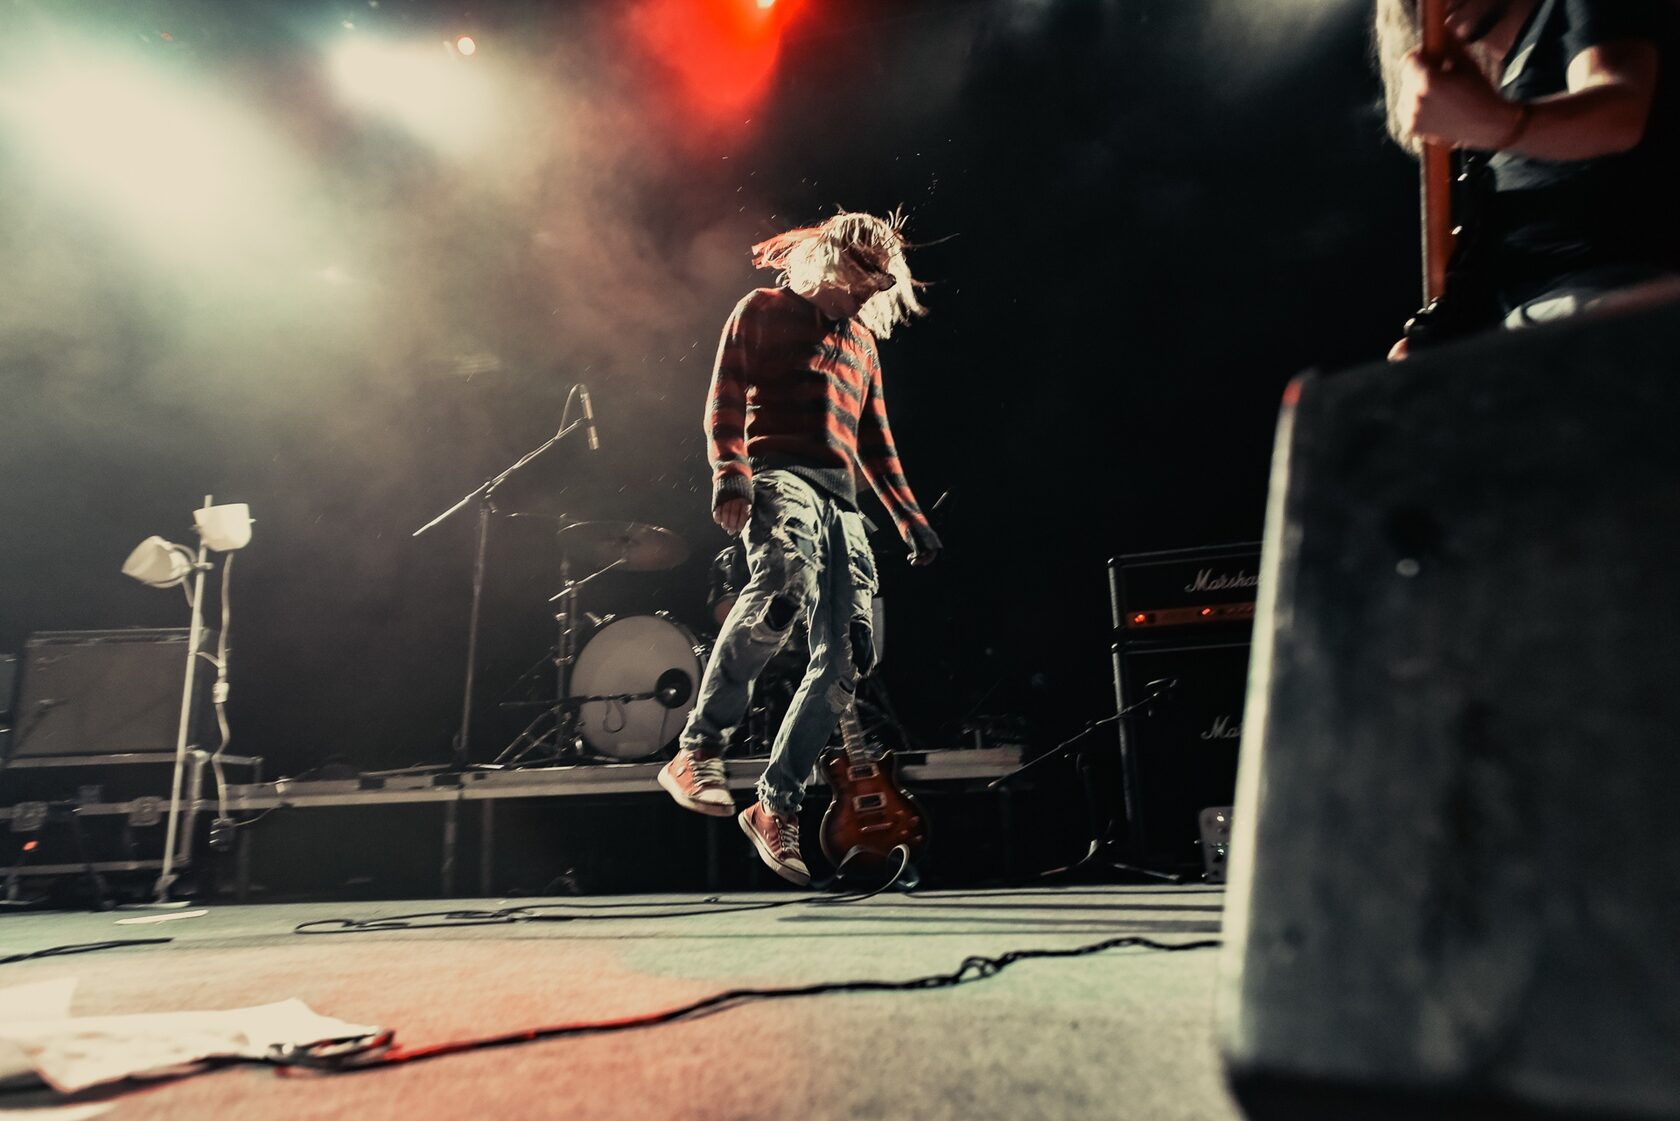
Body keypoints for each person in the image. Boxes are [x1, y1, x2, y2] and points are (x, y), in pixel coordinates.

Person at [657, 210, 942, 885]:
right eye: (863, 281)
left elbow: (876, 441)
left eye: (881, 286)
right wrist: (731, 474)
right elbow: (725, 394)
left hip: (844, 505)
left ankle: (775, 804)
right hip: (780, 474)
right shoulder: (762, 309)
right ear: (833, 262)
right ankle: (698, 748)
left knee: (850, 656)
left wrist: (909, 518)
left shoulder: (862, 344)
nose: (869, 296)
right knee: (783, 586)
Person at [1376, 0, 1680, 357]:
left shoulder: (1569, 10)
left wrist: (1494, 122)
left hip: (1611, 304)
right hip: (1531, 327)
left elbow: (1620, 114)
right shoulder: (1503, 91)